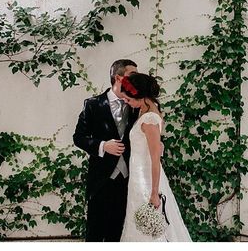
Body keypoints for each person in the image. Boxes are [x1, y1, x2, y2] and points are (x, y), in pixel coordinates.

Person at [119, 72, 192, 242]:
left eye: (128, 99)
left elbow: (155, 159)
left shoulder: (150, 119)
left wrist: (154, 193)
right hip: (138, 179)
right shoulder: (145, 112)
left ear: (140, 96)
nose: (126, 102)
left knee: (148, 229)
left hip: (146, 181)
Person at [73, 59, 138, 242]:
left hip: (128, 179)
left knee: (117, 233)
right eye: (132, 75)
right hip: (101, 180)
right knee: (95, 232)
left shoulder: (137, 106)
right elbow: (79, 137)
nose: (136, 79)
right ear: (118, 78)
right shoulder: (92, 105)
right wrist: (103, 146)